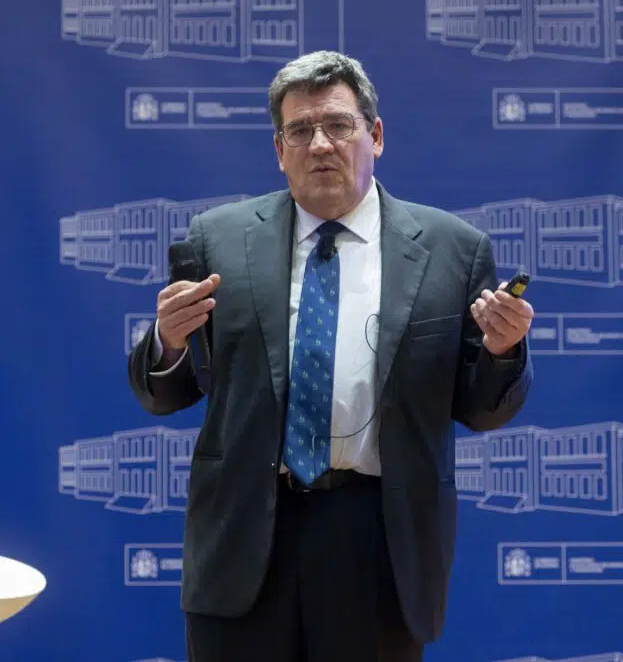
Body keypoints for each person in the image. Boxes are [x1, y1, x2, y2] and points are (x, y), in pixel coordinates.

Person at [128, 50, 534, 662]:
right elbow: (164, 394)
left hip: (379, 542)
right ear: (279, 150)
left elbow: (482, 410)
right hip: (244, 536)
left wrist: (502, 351)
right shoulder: (218, 240)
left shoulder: (452, 250)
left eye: (338, 125)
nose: (320, 144)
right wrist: (168, 341)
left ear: (375, 135)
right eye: (300, 130)